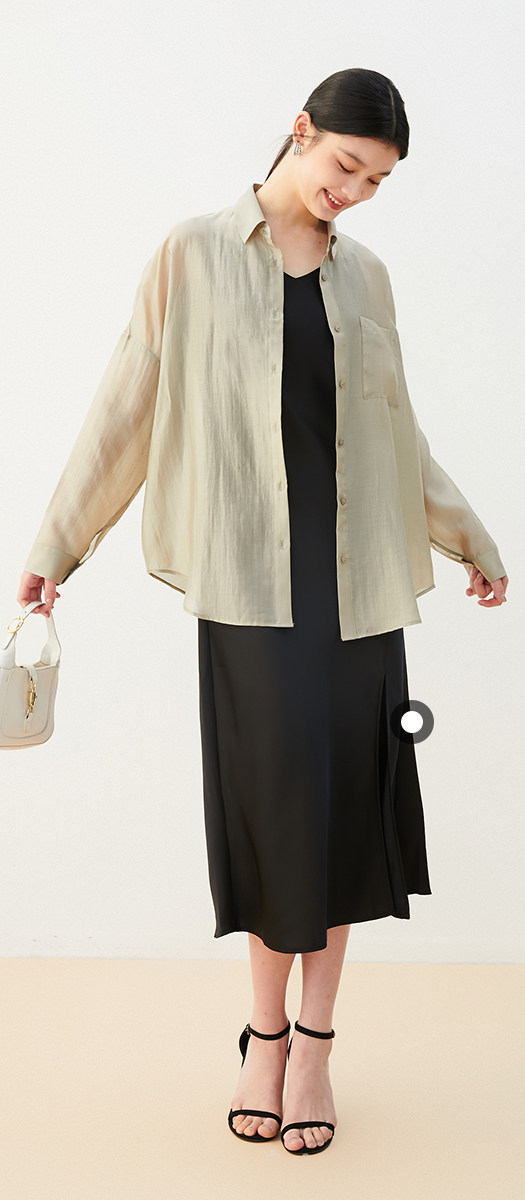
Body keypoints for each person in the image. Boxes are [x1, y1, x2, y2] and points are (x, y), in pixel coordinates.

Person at [17, 67, 508, 1157]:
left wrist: (469, 535)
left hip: (358, 592)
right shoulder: (192, 255)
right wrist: (58, 546)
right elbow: (126, 406)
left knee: (345, 816)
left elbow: (398, 434)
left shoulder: (368, 278)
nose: (356, 192)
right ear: (300, 130)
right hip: (250, 591)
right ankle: (264, 1034)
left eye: (376, 182)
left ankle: (316, 1046)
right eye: (347, 165)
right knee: (275, 811)